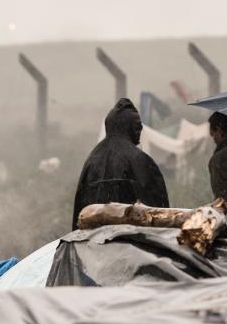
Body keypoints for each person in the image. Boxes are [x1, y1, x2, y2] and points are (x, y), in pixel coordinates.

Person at [71, 98, 169, 230]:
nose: (140, 130)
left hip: (91, 241)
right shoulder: (139, 159)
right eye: (137, 125)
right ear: (128, 127)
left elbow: (80, 212)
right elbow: (159, 213)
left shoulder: (92, 159)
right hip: (131, 240)